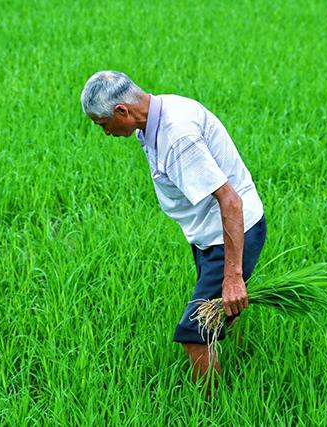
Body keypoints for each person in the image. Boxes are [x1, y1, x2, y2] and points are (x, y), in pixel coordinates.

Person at [80, 70, 267, 395]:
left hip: (229, 234)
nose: (105, 132)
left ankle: (212, 408)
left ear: (122, 111)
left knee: (193, 333)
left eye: (103, 123)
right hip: (210, 234)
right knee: (218, 313)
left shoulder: (176, 137)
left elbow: (231, 202)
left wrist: (233, 274)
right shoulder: (158, 112)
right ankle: (225, 354)